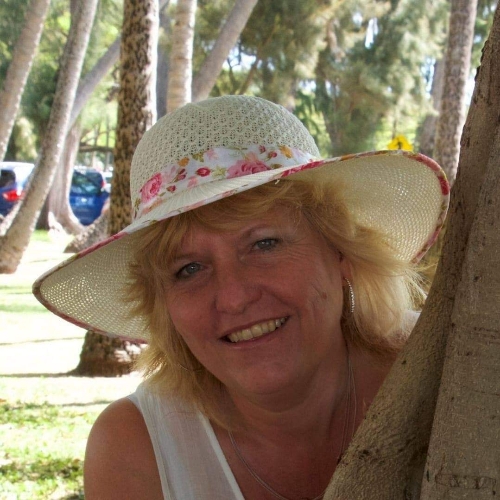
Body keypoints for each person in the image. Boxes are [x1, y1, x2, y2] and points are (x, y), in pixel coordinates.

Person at [33, 95, 449, 500]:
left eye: (264, 244)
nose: (233, 298)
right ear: (163, 306)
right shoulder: (136, 450)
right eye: (188, 269)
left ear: (340, 252)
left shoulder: (445, 374)